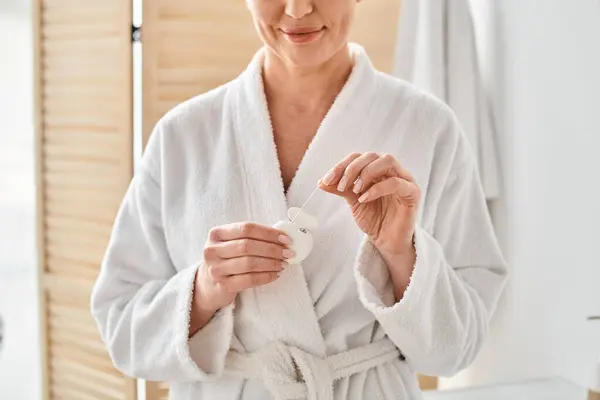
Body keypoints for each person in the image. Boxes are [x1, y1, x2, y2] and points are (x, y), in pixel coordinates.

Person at [91, 0, 508, 399]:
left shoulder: (428, 128)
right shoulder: (182, 135)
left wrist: (402, 254)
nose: (297, 10)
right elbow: (121, 324)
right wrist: (202, 292)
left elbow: (458, 348)